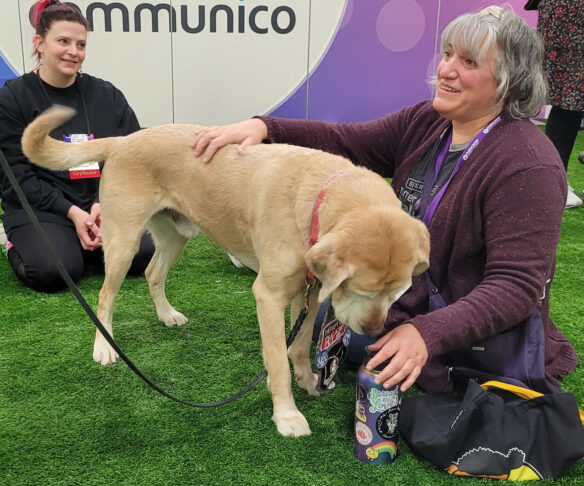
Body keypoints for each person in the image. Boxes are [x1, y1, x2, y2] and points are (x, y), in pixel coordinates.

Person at [190, 6, 578, 393]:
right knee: (322, 291)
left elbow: (516, 286)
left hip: (463, 328)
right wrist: (265, 126)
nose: (446, 69)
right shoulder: (429, 121)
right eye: (447, 54)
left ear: (509, 81)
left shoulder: (529, 165)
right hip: (397, 297)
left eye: (469, 61)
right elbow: (346, 140)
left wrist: (427, 333)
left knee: (330, 310)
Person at [0, 0, 154, 292]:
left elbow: (132, 156)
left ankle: (80, 242)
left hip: (101, 203)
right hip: (43, 208)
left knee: (142, 255)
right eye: (63, 41)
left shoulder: (107, 95)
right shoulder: (12, 100)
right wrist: (72, 212)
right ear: (39, 43)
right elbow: (13, 174)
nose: (73, 52)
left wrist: (103, 205)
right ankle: (13, 238)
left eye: (81, 44)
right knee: (54, 271)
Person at [537, 0, 584, 208]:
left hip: (563, 13)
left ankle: (551, 183)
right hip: (573, 16)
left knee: (568, 99)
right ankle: (551, 184)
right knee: (569, 98)